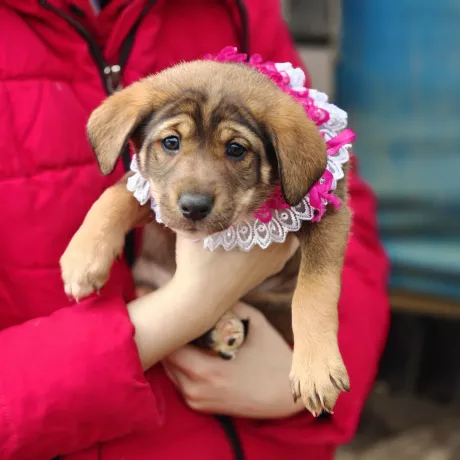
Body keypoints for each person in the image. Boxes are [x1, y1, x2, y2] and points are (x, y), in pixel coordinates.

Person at [0, 0, 390, 459]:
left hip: (269, 430)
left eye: (236, 150)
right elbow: (135, 188)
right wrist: (185, 307)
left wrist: (305, 371)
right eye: (171, 141)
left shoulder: (237, 8)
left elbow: (339, 207)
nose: (195, 194)